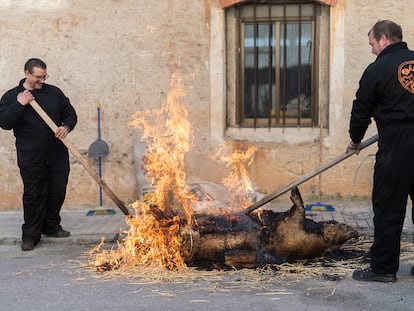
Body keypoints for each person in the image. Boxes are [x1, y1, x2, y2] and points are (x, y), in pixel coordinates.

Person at [347, 20, 414, 282]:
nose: (372, 49)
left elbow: (361, 109)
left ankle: (384, 269)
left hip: (397, 145)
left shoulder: (377, 70)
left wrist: (355, 139)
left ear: (384, 39)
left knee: (388, 208)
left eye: (373, 44)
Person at [0, 58, 77, 251]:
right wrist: (19, 104)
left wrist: (66, 126)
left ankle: (51, 226)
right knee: (34, 193)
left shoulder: (54, 92)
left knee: (57, 190)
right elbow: (4, 123)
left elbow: (71, 114)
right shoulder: (12, 97)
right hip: (30, 154)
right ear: (27, 73)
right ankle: (30, 235)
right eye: (38, 77)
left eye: (44, 76)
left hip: (57, 151)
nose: (42, 80)